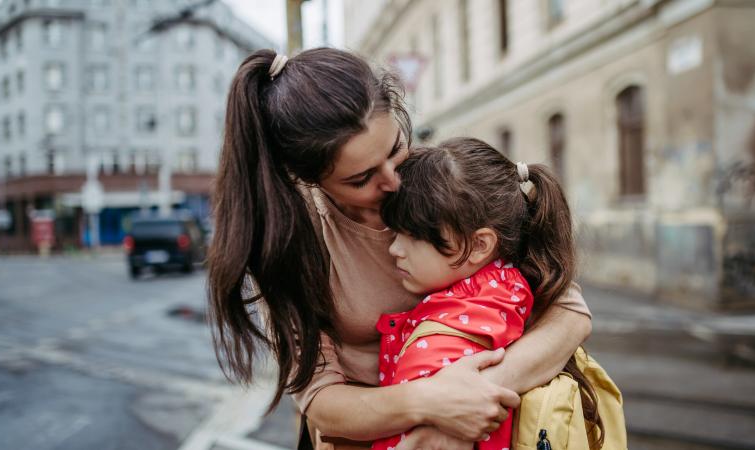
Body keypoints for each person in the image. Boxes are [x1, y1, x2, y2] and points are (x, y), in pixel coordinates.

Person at [207, 48, 592, 449]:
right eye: (362, 178)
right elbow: (321, 399)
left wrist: (471, 400)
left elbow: (569, 314)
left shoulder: (441, 184)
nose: (393, 181)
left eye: (394, 149)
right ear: (307, 177)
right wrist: (429, 404)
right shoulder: (288, 240)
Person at [371, 139, 601, 450]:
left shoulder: (452, 332)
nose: (395, 249)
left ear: (480, 245)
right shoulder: (512, 287)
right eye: (395, 232)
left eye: (412, 236)